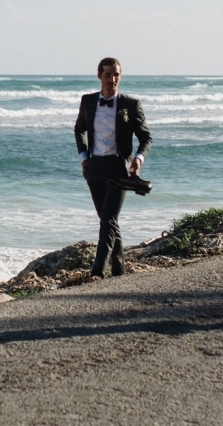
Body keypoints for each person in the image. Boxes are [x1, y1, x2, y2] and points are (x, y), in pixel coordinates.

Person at [74, 57, 152, 280]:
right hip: (95, 168)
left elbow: (146, 137)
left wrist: (138, 158)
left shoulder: (130, 104)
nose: (112, 79)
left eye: (116, 74)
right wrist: (83, 157)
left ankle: (98, 272)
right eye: (108, 74)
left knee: (108, 219)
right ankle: (119, 271)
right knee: (108, 221)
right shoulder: (87, 101)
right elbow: (79, 129)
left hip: (119, 169)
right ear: (99, 75)